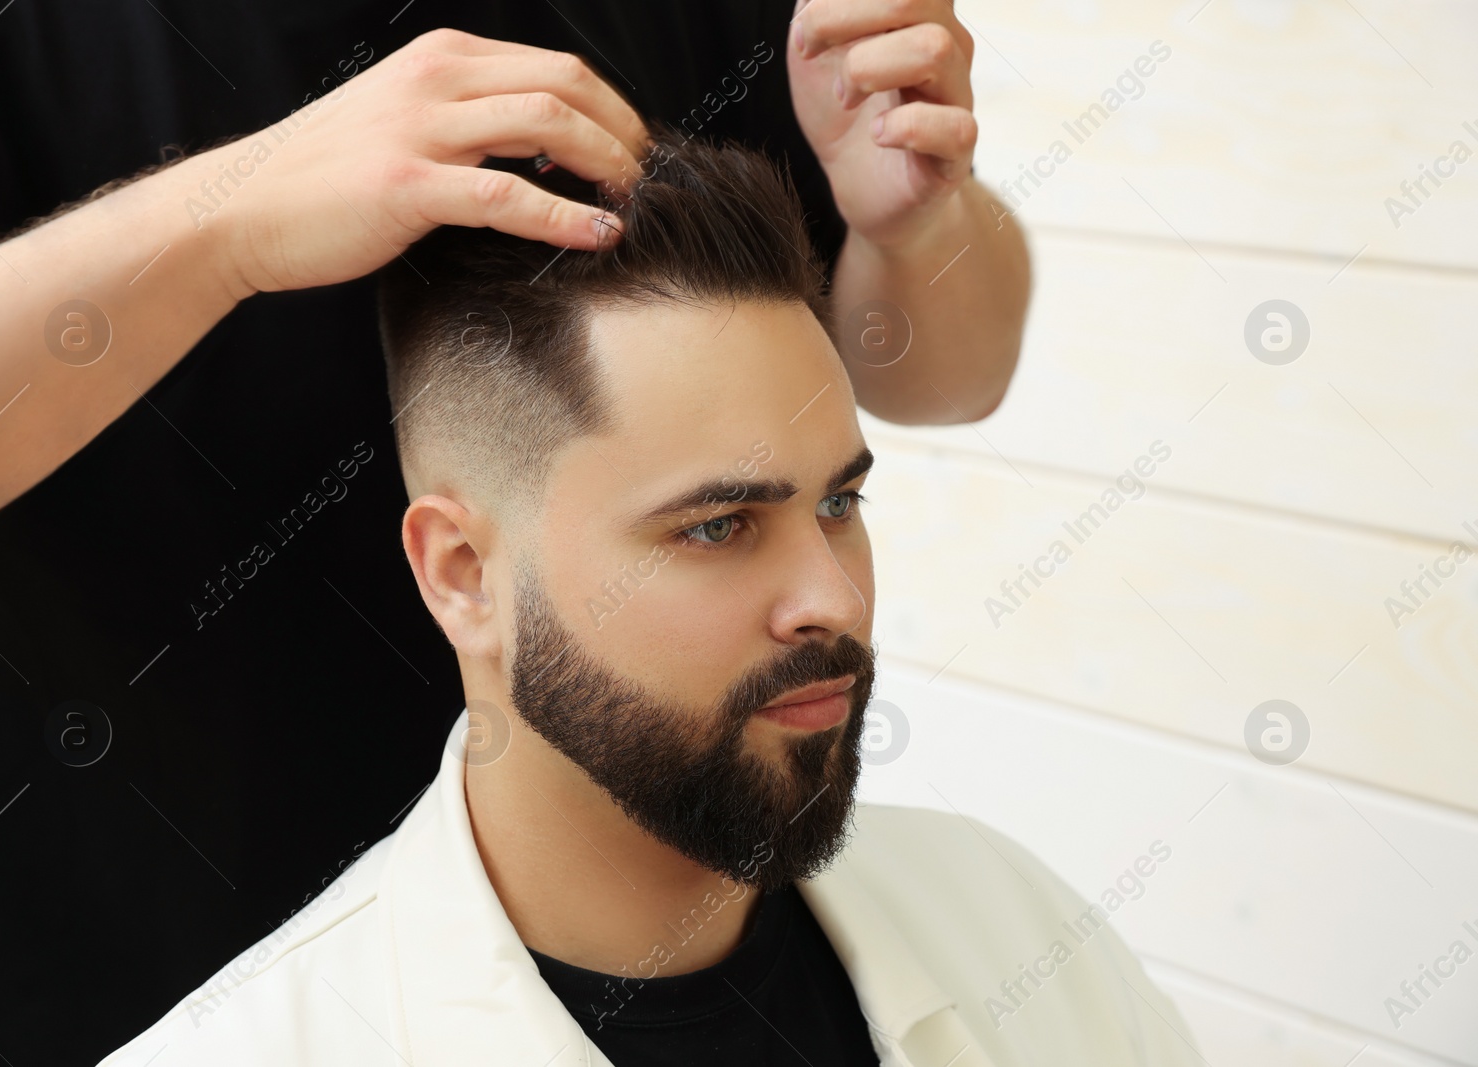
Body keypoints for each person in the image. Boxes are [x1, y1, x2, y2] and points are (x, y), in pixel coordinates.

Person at [0, 2, 1029, 1063]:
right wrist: (222, 221)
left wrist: (919, 219)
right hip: (119, 967)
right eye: (724, 524)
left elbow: (941, 373)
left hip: (682, 937)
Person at [98, 128, 1189, 1067]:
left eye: (839, 504)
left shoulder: (1020, 932)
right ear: (462, 574)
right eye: (717, 526)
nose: (832, 597)